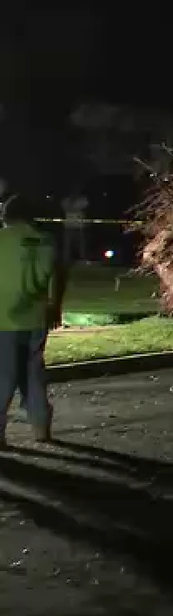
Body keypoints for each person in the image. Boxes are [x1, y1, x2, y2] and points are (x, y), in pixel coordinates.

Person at [0, 190, 60, 449]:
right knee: (33, 373)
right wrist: (54, 305)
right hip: (36, 317)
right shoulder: (46, 241)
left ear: (6, 216)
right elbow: (56, 275)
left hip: (4, 317)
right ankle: (40, 425)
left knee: (4, 375)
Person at [61, 190, 89, 263]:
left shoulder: (83, 200)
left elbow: (86, 211)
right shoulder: (65, 201)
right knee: (67, 245)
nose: (74, 192)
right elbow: (63, 211)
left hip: (80, 226)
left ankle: (82, 259)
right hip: (68, 226)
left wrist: (85, 222)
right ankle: (66, 261)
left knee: (81, 245)